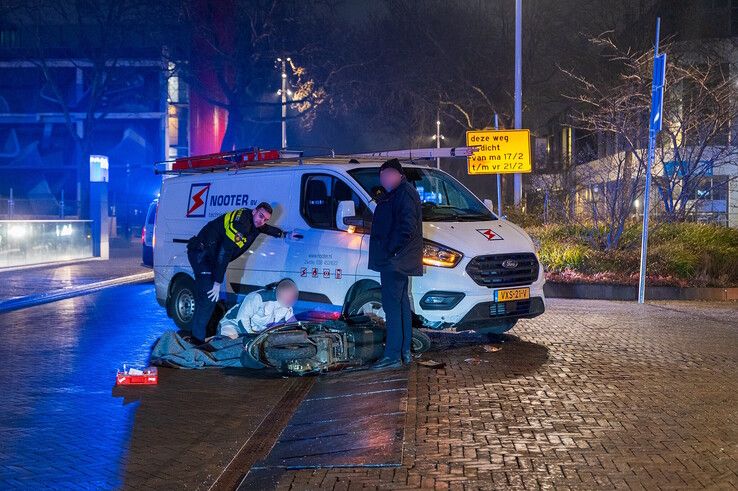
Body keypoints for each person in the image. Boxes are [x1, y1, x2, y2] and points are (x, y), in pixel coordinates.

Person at [186, 203, 287, 344]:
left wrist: (284, 234)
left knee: (207, 299)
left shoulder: (254, 222)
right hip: (202, 255)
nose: (261, 221)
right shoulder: (240, 224)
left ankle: (198, 336)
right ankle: (196, 341)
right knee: (208, 299)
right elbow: (224, 252)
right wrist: (217, 282)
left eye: (265, 219)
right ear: (254, 211)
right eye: (260, 216)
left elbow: (266, 229)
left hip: (210, 257)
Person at [367, 158, 423, 369]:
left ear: (398, 175)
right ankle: (403, 351)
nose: (384, 179)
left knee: (393, 307)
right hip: (398, 260)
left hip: (395, 261)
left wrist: (390, 250)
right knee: (400, 305)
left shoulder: (403, 194)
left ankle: (392, 355)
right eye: (382, 176)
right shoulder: (400, 193)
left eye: (387, 175)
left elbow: (406, 228)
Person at [218, 278, 299, 338]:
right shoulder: (258, 297)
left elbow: (292, 323)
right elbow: (242, 319)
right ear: (281, 293)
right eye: (288, 297)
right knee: (229, 349)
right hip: (233, 324)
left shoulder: (286, 305)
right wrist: (250, 336)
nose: (290, 300)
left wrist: (300, 332)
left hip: (255, 331)